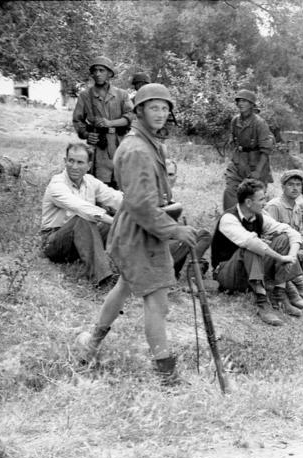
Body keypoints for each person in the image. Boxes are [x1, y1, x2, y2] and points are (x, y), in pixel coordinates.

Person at [75, 83, 199, 384]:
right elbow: (141, 205)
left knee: (124, 287)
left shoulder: (148, 143)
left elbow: (149, 197)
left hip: (140, 229)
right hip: (139, 232)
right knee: (157, 302)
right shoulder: (136, 150)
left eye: (165, 108)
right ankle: (167, 376)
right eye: (154, 107)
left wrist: (169, 212)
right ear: (139, 110)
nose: (160, 113)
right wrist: (174, 229)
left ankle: (89, 346)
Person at [210, 178, 303, 325]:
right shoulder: (229, 218)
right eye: (261, 199)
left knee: (283, 238)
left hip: (250, 272)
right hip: (227, 275)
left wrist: (291, 256)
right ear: (248, 202)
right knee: (253, 246)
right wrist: (280, 258)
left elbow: (291, 232)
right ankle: (262, 302)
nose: (265, 203)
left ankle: (279, 294)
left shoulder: (259, 217)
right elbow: (251, 243)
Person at [41, 142, 122, 285]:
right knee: (84, 218)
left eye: (80, 162)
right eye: (71, 161)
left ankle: (133, 271)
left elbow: (114, 197)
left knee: (115, 225)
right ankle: (101, 278)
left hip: (81, 240)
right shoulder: (57, 184)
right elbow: (81, 208)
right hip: (54, 242)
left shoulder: (90, 182)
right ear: (65, 161)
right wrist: (115, 221)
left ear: (89, 166)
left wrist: (142, 207)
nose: (74, 166)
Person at [72, 56, 134, 188]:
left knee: (121, 182)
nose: (97, 74)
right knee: (97, 184)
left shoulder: (122, 95)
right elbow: (78, 120)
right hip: (99, 145)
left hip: (119, 143)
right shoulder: (85, 95)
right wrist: (87, 134)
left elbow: (130, 116)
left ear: (109, 73)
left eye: (101, 70)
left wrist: (110, 123)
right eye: (95, 71)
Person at [263, 169, 303, 308]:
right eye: (290, 184)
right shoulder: (274, 206)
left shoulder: (297, 207)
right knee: (285, 240)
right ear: (283, 187)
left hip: (290, 251)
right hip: (274, 252)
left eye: (298, 185)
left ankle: (296, 286)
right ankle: (295, 287)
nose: (295, 188)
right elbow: (269, 236)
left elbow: (300, 233)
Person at [222, 89, 274, 210]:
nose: (241, 103)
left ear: (252, 104)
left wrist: (258, 171)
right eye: (239, 101)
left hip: (256, 162)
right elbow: (233, 141)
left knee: (255, 196)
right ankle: (230, 217)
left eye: (244, 101)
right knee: (230, 191)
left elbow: (266, 150)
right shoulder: (235, 120)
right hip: (239, 161)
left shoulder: (260, 123)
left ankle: (255, 219)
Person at [163, 160, 213, 280]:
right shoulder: (150, 195)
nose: (166, 178)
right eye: (163, 173)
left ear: (176, 178)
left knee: (203, 235)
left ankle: (190, 272)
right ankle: (190, 273)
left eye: (170, 175)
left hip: (168, 245)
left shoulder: (170, 198)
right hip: (152, 250)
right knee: (194, 236)